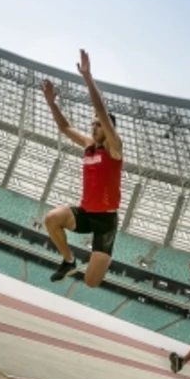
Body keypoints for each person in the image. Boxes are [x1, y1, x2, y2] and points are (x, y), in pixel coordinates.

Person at [42, 50, 124, 286]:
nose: (94, 127)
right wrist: (51, 103)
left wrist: (88, 77)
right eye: (93, 124)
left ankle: (101, 258)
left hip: (105, 222)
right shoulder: (89, 146)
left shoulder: (114, 150)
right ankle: (69, 260)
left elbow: (102, 113)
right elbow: (66, 127)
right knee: (51, 218)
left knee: (91, 282)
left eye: (99, 125)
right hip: (86, 213)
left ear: (109, 129)